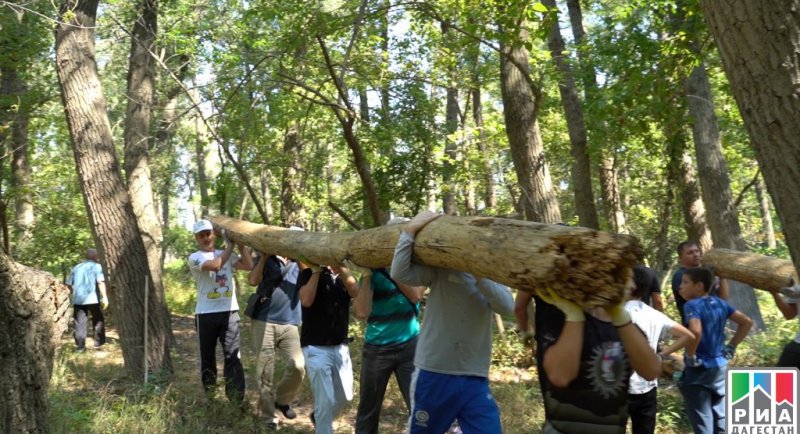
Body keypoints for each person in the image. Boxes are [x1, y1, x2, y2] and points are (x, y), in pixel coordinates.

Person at [390, 210, 514, 434]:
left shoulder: (490, 274)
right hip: (434, 371)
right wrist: (409, 231)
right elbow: (400, 273)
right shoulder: (441, 265)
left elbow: (507, 306)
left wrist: (477, 270)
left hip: (474, 376)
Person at [533, 283, 662, 434]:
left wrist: (620, 317)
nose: (633, 285)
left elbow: (651, 371)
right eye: (624, 277)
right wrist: (574, 317)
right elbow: (560, 376)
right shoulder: (559, 322)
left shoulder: (627, 328)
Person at [348, 217, 426, 434]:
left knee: (420, 405)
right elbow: (362, 311)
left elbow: (416, 296)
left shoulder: (414, 266)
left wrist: (395, 267)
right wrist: (366, 275)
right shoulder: (371, 270)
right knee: (368, 409)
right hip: (377, 350)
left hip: (410, 346)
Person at [678, 267, 753, 434]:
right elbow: (747, 322)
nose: (680, 287)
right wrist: (731, 346)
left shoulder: (691, 305)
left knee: (703, 422)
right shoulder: (720, 302)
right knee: (721, 418)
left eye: (685, 282)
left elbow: (695, 331)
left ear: (699, 286)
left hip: (699, 370)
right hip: (720, 367)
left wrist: (690, 356)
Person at [188, 219, 253, 403]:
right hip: (205, 314)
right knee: (207, 357)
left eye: (208, 233)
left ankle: (236, 399)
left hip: (229, 312)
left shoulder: (223, 253)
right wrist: (230, 246)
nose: (206, 238)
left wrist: (240, 245)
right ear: (196, 238)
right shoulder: (195, 257)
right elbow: (216, 266)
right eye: (201, 235)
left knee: (232, 356)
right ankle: (211, 397)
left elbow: (248, 265)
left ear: (214, 234)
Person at [626, 265, 695, 434]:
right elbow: (688, 335)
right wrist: (662, 354)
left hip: (621, 386)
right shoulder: (653, 314)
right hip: (648, 386)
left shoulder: (615, 315)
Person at [297, 260, 359, 434]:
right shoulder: (308, 274)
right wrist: (316, 272)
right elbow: (306, 300)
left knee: (346, 397)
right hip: (315, 348)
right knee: (325, 401)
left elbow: (355, 292)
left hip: (340, 347)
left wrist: (344, 271)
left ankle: (318, 417)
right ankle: (323, 426)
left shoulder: (343, 276)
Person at [248, 252, 305, 430]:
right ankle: (268, 417)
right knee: (265, 371)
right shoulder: (267, 257)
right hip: (264, 320)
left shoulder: (300, 261)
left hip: (290, 323)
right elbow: (253, 280)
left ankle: (282, 400)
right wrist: (264, 258)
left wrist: (300, 257)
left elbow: (310, 277)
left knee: (298, 365)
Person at [671, 241, 729, 324]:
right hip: (695, 325)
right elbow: (697, 299)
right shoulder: (680, 276)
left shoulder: (706, 272)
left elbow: (723, 297)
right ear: (680, 258)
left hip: (715, 324)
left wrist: (722, 276)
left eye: (697, 251)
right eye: (690, 253)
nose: (695, 255)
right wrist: (710, 279)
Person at [65, 248, 108, 352]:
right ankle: (98, 343)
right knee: (98, 319)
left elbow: (68, 284)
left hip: (78, 300)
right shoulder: (97, 267)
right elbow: (100, 282)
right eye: (97, 255)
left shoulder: (76, 267)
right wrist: (104, 297)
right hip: (93, 299)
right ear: (95, 256)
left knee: (79, 323)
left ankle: (80, 347)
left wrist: (73, 294)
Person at [769, 284, 800, 368]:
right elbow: (789, 314)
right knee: (780, 379)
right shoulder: (796, 283)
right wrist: (774, 293)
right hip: (797, 346)